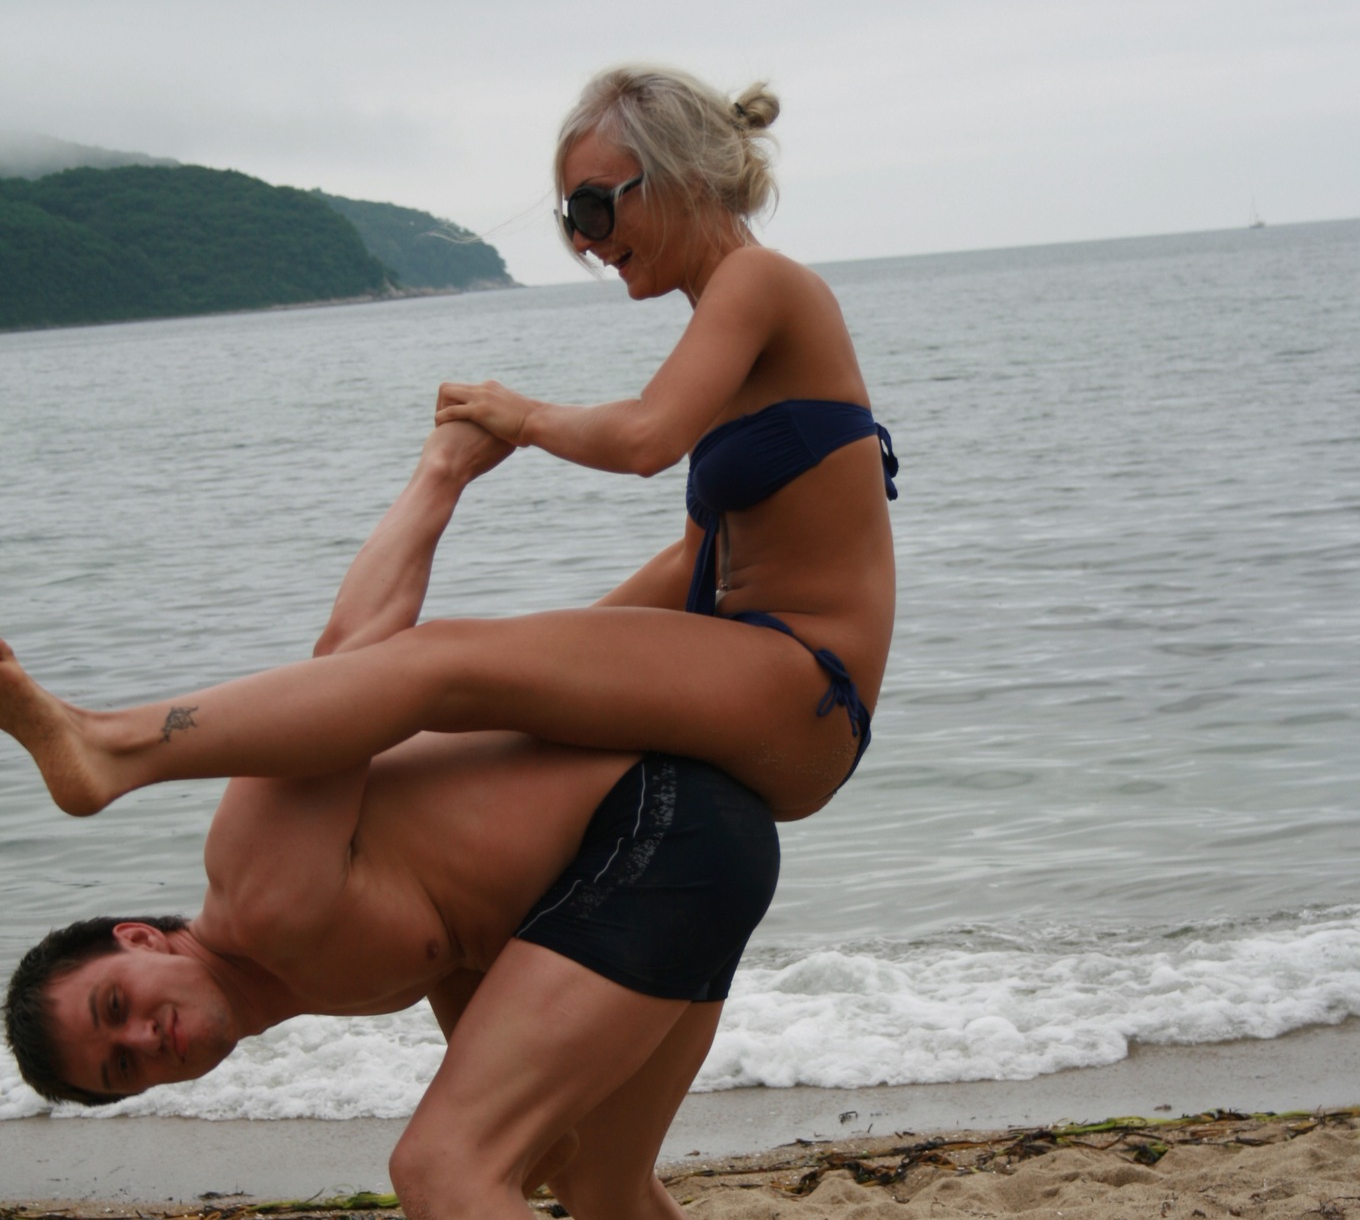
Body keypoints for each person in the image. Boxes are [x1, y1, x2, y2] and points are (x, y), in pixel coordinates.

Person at [2, 419, 778, 1220]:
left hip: (652, 829)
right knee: (598, 1177)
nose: (148, 1039)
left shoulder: (258, 892)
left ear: (140, 937)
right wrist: (513, 1156)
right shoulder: (315, 970)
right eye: (125, 1069)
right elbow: (475, 963)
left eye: (117, 1005)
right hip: (677, 849)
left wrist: (441, 472)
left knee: (440, 1167)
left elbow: (353, 655)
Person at [0, 67, 896, 827]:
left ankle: (113, 746)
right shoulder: (731, 319)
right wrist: (539, 656)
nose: (585, 242)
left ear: (684, 178)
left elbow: (644, 439)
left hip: (805, 690)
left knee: (444, 662)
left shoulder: (759, 280)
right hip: (755, 676)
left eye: (593, 207)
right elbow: (699, 558)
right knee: (445, 690)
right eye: (569, 219)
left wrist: (521, 417)